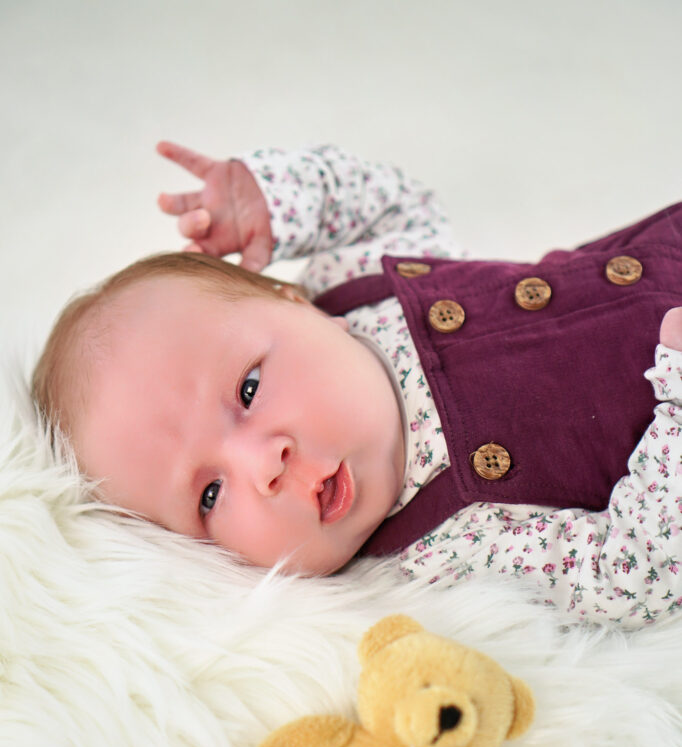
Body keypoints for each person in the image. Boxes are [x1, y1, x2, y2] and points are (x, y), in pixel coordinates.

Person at [32, 142, 682, 628]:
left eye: (250, 391)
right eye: (208, 495)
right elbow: (630, 574)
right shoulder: (446, 553)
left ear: (293, 300)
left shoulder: (356, 285)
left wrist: (278, 201)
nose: (262, 465)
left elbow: (400, 202)